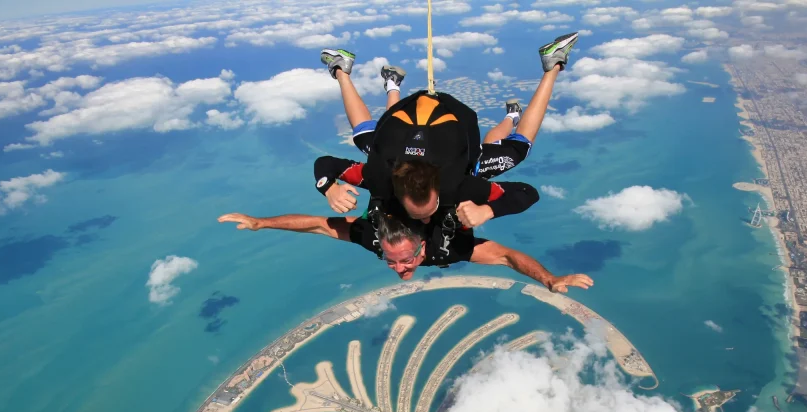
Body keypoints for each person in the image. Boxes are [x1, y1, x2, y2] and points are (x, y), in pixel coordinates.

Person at [315, 32, 579, 228]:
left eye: (424, 212)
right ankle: (348, 71)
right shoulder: (379, 175)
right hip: (406, 122)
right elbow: (326, 164)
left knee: (519, 149)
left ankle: (552, 65)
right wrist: (328, 186)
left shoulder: (458, 186)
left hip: (450, 118)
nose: (427, 218)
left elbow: (527, 193)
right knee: (369, 138)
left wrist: (488, 210)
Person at [217, 211, 593, 294]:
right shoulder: (372, 236)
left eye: (405, 260)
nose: (399, 267)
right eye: (392, 261)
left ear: (423, 248)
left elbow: (509, 257)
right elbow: (317, 224)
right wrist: (260, 222)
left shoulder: (450, 247)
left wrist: (547, 277)